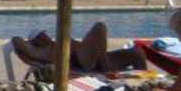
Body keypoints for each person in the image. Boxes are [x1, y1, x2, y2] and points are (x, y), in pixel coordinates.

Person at [10, 22, 145, 74]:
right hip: (83, 62)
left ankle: (144, 86)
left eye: (44, 33)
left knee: (137, 53)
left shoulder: (53, 44)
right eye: (41, 35)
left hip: (97, 57)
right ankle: (106, 68)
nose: (46, 36)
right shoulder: (42, 52)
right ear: (36, 40)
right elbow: (16, 40)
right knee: (99, 27)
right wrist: (29, 49)